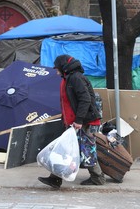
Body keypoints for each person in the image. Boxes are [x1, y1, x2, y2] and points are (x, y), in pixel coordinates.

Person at [38, 54, 106, 188]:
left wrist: (79, 120)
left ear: (64, 67)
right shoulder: (68, 78)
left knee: (87, 151)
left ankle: (98, 178)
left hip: (84, 122)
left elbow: (85, 100)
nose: (56, 72)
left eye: (57, 69)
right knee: (64, 150)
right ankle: (55, 178)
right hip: (73, 122)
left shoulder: (76, 78)